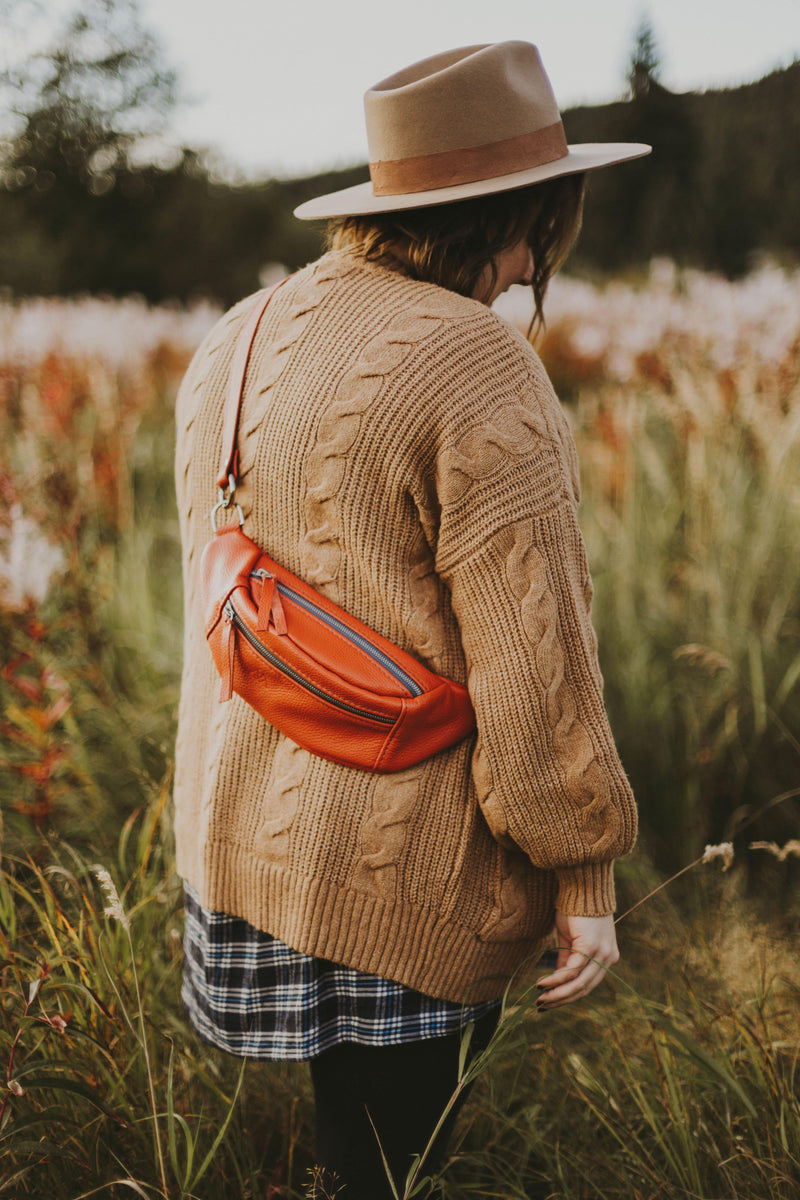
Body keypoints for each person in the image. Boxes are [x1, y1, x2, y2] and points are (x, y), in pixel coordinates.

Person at [173, 40, 648, 1200]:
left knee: (353, 1154)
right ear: (516, 217)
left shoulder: (238, 333)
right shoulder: (472, 359)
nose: (534, 264)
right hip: (399, 868)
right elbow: (534, 663)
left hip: (242, 841)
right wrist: (582, 878)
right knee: (399, 1165)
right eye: (540, 231)